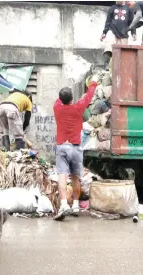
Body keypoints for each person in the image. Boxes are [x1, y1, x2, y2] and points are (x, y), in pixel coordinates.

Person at [53, 75, 99, 221]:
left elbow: (59, 100)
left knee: (62, 176)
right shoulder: (78, 108)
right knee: (75, 178)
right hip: (76, 147)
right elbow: (88, 96)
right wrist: (93, 83)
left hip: (62, 146)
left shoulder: (57, 108)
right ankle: (76, 206)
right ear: (72, 99)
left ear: (61, 99)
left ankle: (63, 205)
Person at [101, 1, 137, 70]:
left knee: (123, 54)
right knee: (108, 45)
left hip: (123, 34)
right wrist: (104, 33)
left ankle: (121, 70)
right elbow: (108, 21)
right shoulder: (112, 8)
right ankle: (106, 64)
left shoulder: (129, 9)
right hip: (112, 31)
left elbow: (132, 22)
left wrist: (133, 33)